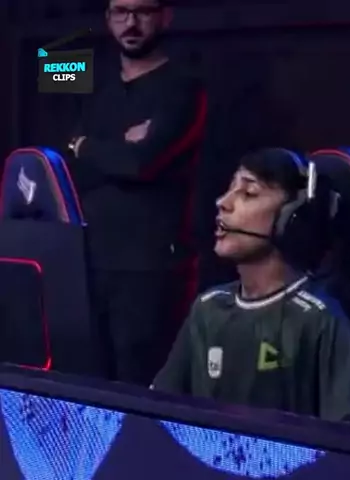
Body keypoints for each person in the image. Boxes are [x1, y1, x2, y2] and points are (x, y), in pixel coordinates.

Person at [151, 148, 350, 426]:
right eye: (229, 190)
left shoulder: (318, 319)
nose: (223, 203)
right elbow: (156, 409)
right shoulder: (208, 308)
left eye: (249, 193)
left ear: (292, 218)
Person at [66, 0, 207, 385]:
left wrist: (88, 146)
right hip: (87, 261)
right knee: (87, 383)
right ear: (107, 18)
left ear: (165, 16)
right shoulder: (90, 82)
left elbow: (141, 163)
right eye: (120, 12)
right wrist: (101, 148)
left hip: (151, 270)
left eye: (143, 11)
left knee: (142, 388)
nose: (131, 22)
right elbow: (68, 160)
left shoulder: (182, 87)